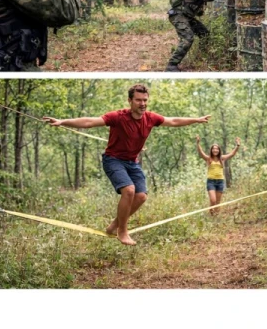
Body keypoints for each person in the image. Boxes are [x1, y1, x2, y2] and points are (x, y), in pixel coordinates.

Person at [43, 84, 210, 245]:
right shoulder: (118, 116)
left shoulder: (151, 118)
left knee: (141, 196)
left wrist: (196, 119)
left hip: (132, 162)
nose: (142, 103)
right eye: (138, 100)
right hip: (113, 160)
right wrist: (62, 121)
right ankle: (122, 231)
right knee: (129, 190)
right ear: (130, 101)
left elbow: (173, 121)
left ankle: (115, 224)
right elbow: (89, 122)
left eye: (145, 100)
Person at [165, 0, 223, 71]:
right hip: (178, 15)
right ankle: (171, 65)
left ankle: (201, 57)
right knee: (188, 38)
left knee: (204, 34)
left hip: (186, 16)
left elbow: (200, 10)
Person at [196, 136, 242, 214]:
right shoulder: (208, 159)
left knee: (217, 202)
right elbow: (201, 152)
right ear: (211, 150)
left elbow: (232, 154)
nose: (215, 150)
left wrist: (237, 145)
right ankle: (211, 213)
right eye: (213, 149)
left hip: (220, 181)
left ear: (219, 150)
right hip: (211, 182)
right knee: (213, 200)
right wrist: (198, 143)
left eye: (217, 149)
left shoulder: (222, 158)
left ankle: (216, 217)